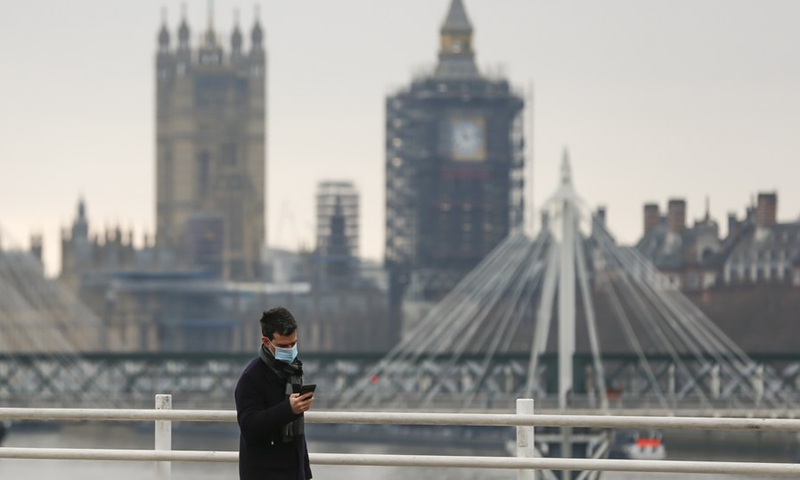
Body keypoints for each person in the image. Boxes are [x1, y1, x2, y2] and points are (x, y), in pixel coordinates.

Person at [235, 307, 314, 480]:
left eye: (293, 344)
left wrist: (305, 472)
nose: (290, 349)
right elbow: (249, 427)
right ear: (266, 341)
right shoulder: (251, 377)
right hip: (263, 472)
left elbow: (298, 433)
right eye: (283, 346)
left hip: (294, 471)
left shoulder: (293, 370)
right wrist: (288, 409)